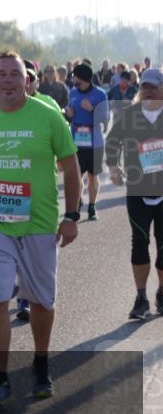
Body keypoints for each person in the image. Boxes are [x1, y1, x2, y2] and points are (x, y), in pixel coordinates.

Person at [0, 51, 81, 406]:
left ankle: (40, 364)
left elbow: (70, 165)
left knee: (42, 301)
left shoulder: (48, 116)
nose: (9, 80)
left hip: (40, 224)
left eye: (16, 74)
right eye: (3, 74)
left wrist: (72, 216)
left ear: (27, 81)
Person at [106, 68, 163, 320]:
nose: (148, 91)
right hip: (138, 190)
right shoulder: (130, 115)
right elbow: (112, 141)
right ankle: (141, 297)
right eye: (145, 86)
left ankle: (162, 292)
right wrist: (113, 166)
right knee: (139, 243)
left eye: (154, 86)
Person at [65, 63, 109, 221]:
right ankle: (77, 204)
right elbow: (69, 111)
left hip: (94, 141)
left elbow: (105, 119)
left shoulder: (100, 94)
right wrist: (68, 114)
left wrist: (92, 109)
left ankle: (92, 207)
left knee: (92, 177)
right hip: (76, 140)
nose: (72, 79)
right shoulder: (73, 92)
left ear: (81, 77)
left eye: (74, 76)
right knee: (77, 176)